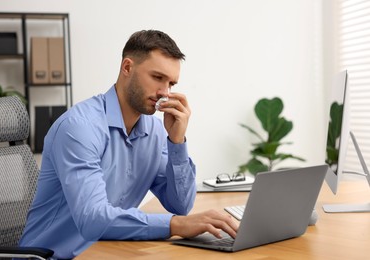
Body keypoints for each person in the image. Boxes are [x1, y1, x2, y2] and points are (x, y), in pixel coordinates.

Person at [19, 30, 238, 259]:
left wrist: (177, 141)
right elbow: (93, 220)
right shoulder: (79, 128)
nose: (165, 92)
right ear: (127, 67)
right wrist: (176, 225)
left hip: (106, 251)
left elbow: (180, 205)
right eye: (157, 77)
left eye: (171, 83)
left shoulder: (154, 131)